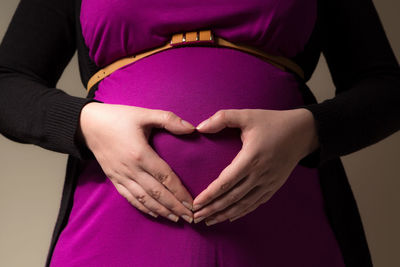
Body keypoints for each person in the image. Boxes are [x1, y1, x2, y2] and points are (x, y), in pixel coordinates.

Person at [0, 0, 399, 266]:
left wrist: (310, 130)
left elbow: (387, 89)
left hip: (285, 218)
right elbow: (7, 83)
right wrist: (84, 123)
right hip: (114, 221)